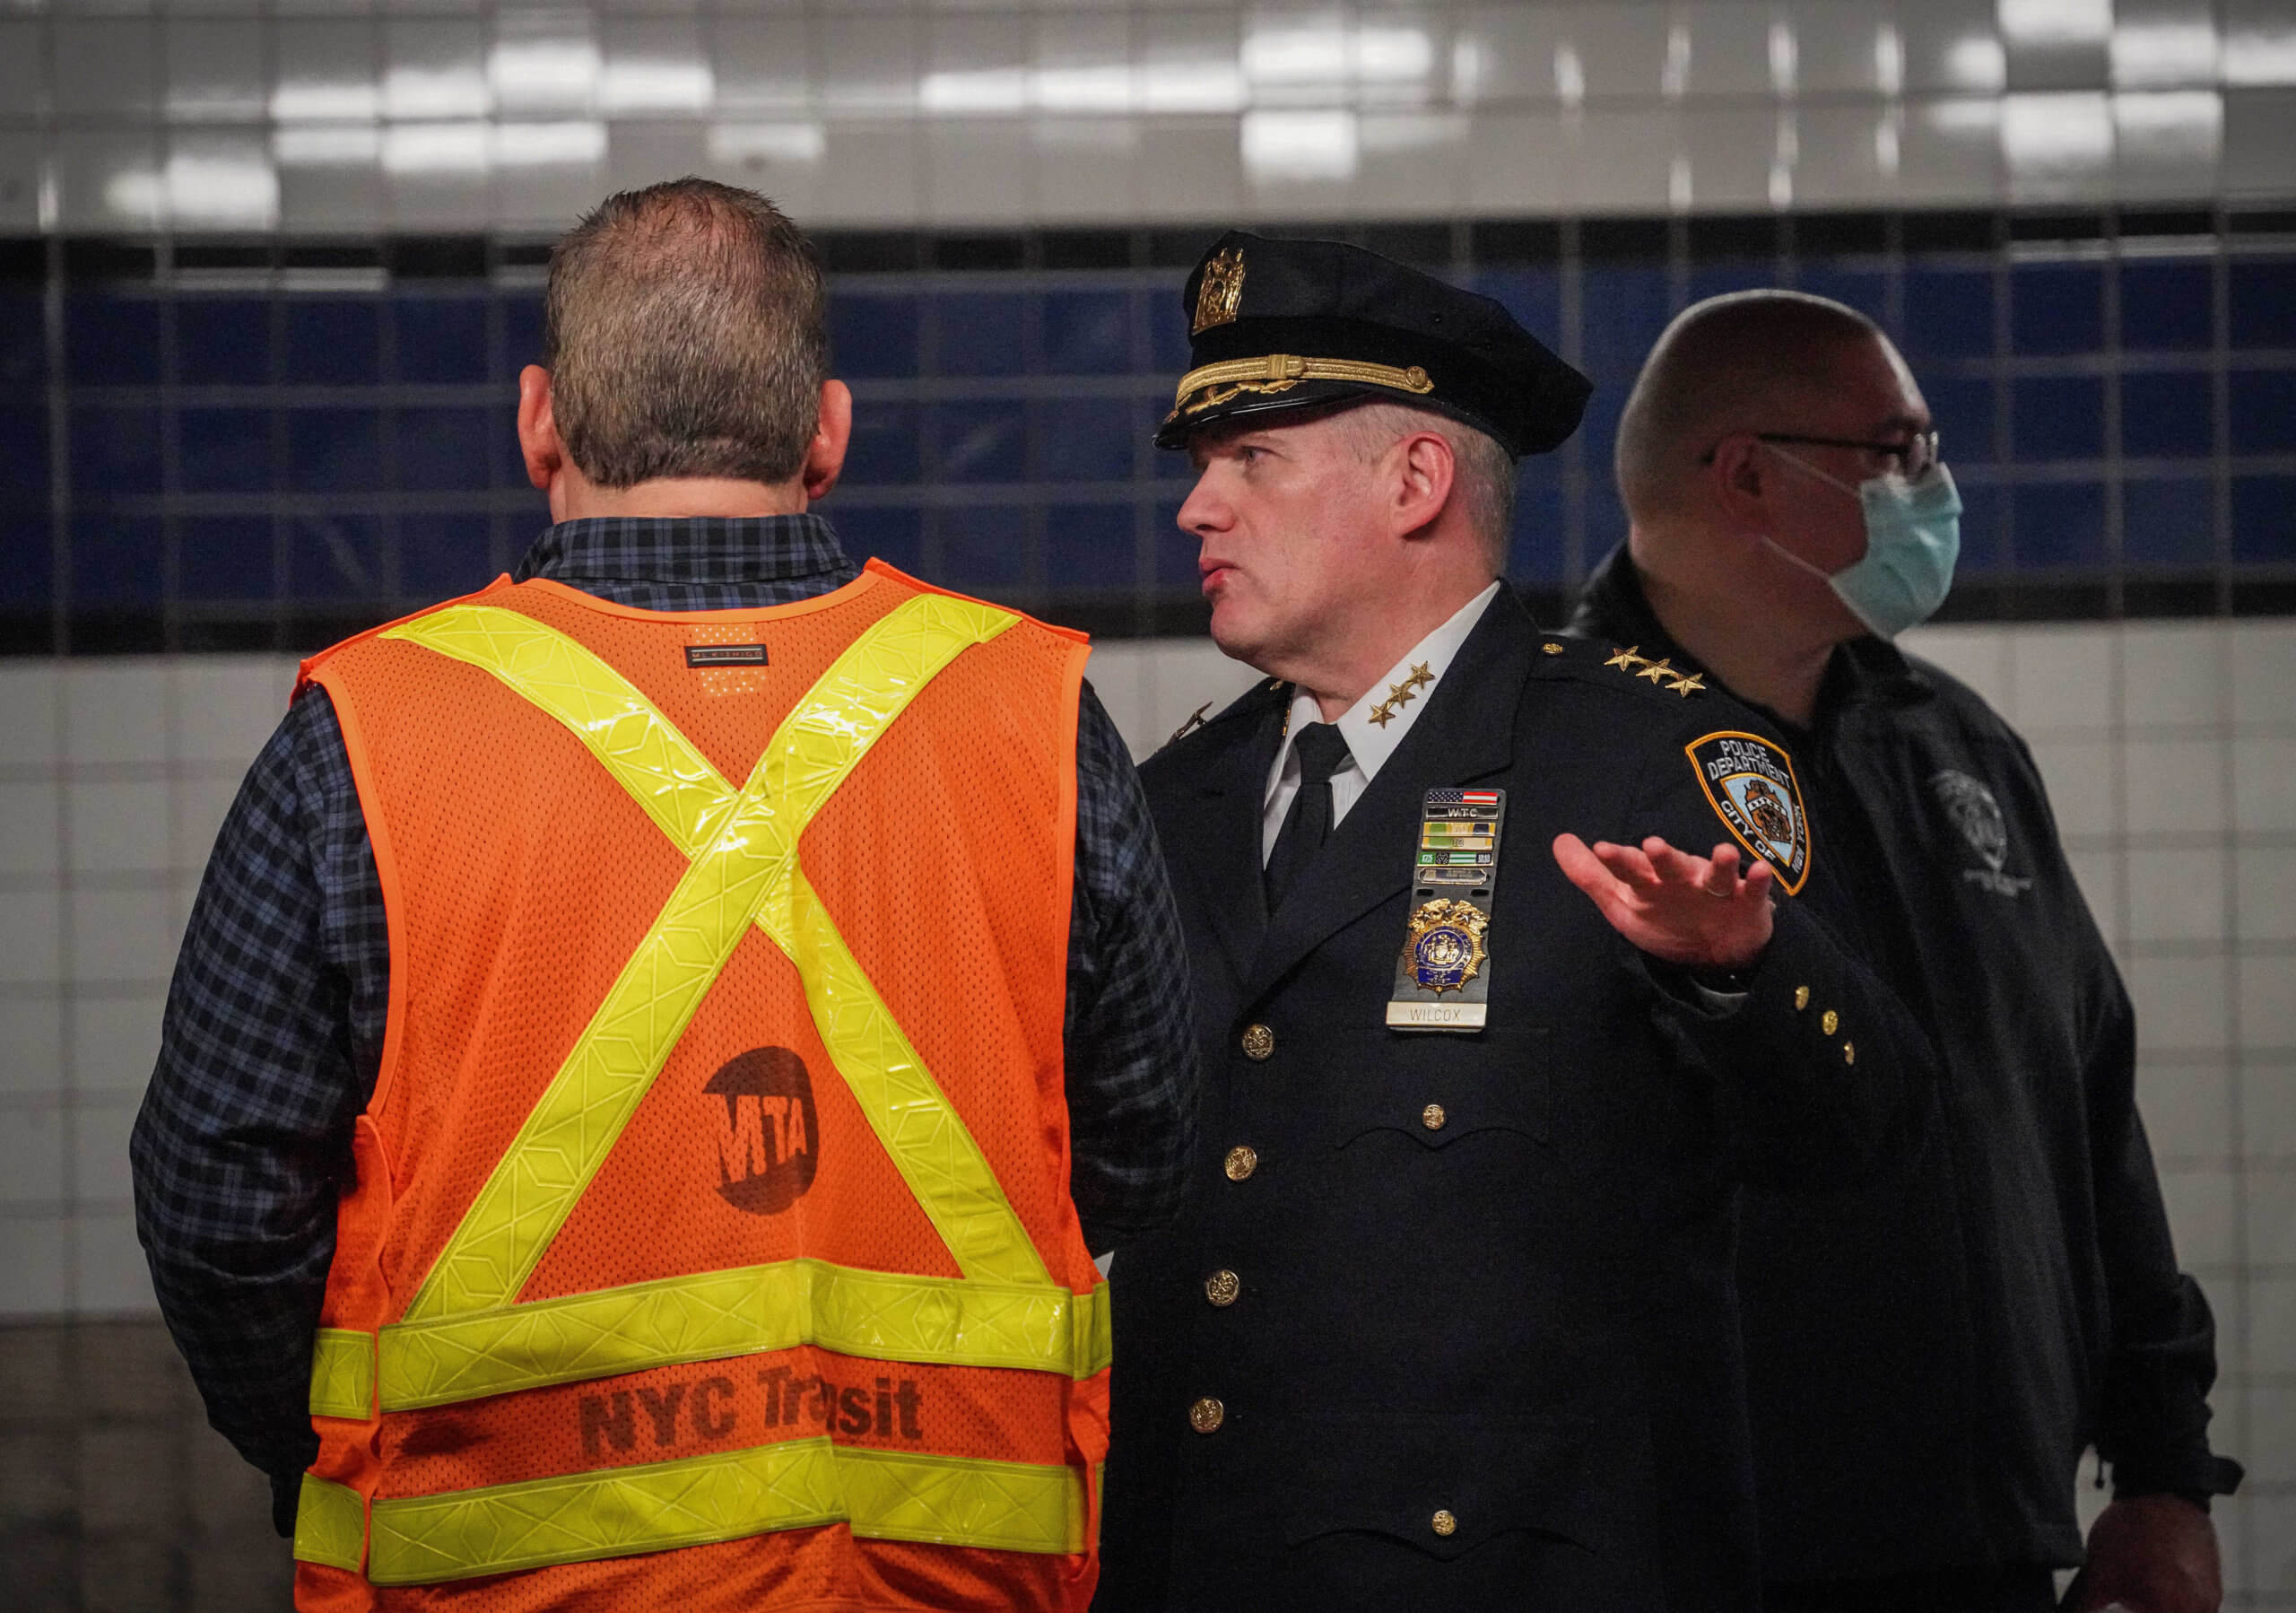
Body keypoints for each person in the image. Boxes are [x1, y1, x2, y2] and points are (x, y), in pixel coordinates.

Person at [130, 178, 1196, 1611]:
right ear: (827, 430)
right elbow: (1140, 1140)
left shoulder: (366, 737)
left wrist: (324, 1447)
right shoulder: (1032, 715)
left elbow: (218, 1201)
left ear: (539, 421)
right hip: (939, 1569)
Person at [1096, 232, 1944, 1611]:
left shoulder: (1644, 759)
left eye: (1251, 459)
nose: (1198, 508)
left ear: (1416, 481)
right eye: (1202, 464)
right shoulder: (1175, 795)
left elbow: (1876, 1128)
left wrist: (1744, 970)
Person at [1569, 289, 2242, 1613]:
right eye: (1899, 452)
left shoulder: (1955, 745)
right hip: (1698, 1554)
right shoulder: (1559, 755)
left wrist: (2164, 1471)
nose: (1933, 489)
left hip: (1986, 1544)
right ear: (1748, 475)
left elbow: (2089, 1110)